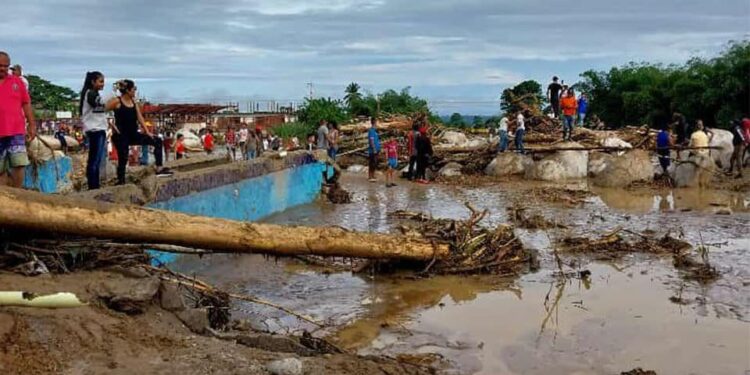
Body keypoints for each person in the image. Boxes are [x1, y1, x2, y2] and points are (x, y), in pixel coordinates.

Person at [107, 79, 169, 185]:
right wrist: (110, 124)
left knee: (157, 140)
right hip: (121, 135)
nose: (135, 91)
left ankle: (159, 168)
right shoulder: (117, 101)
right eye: (134, 89)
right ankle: (121, 180)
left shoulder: (133, 102)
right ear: (128, 90)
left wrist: (147, 132)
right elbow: (101, 110)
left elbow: (139, 117)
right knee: (123, 157)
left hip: (133, 134)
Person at [0, 51, 36, 188]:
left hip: (16, 130)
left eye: (6, 66)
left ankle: (17, 193)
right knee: (0, 168)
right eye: (0, 65)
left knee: (19, 163)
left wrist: (32, 124)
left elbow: (26, 104)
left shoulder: (17, 82)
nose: (3, 69)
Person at [79, 71, 117, 190]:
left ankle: (94, 185)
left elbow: (100, 109)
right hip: (95, 130)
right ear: (93, 82)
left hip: (98, 129)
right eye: (100, 81)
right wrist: (113, 92)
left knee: (96, 159)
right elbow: (102, 103)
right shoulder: (90, 94)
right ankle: (93, 186)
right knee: (94, 160)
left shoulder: (91, 94)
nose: (102, 84)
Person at [367, 117, 381, 182]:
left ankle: (373, 175)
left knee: (375, 163)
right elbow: (371, 141)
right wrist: (374, 149)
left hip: (376, 150)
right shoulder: (371, 131)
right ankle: (370, 176)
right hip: (372, 150)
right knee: (372, 163)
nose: (378, 123)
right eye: (377, 122)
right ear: (374, 122)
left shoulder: (375, 131)